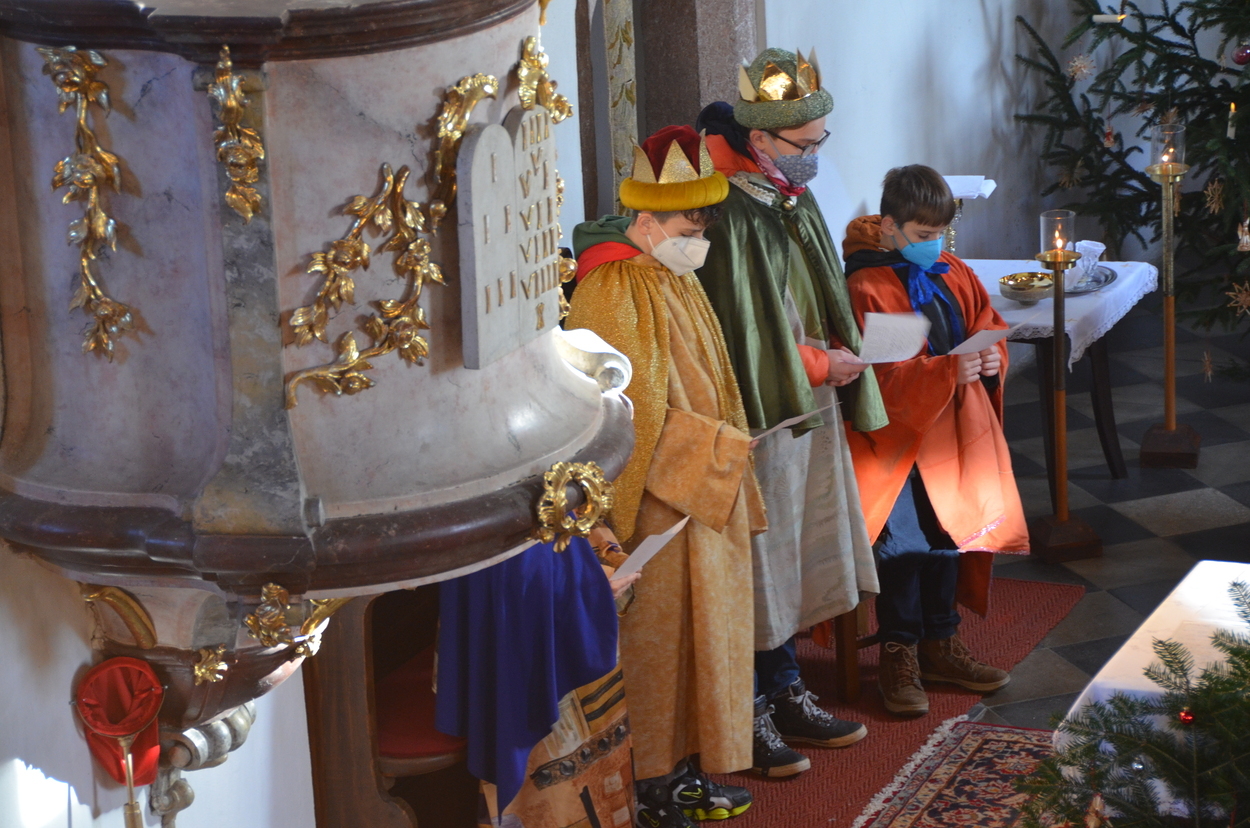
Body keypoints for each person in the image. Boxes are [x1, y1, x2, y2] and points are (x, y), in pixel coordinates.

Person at [566, 125, 768, 827]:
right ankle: (649, 781)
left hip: (705, 484)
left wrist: (728, 446)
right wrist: (714, 449)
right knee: (659, 647)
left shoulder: (667, 271)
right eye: (689, 227)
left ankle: (683, 769)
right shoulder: (614, 282)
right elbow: (625, 413)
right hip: (661, 499)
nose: (699, 238)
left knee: (697, 644)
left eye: (704, 225)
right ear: (647, 220)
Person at [695, 48, 885, 777]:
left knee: (791, 554)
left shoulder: (785, 192)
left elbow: (810, 291)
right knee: (758, 563)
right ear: (760, 138)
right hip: (766, 412)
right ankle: (748, 713)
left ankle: (786, 689)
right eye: (804, 144)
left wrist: (838, 357)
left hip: (812, 400)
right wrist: (816, 365)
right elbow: (746, 328)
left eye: (819, 141)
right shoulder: (730, 208)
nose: (814, 156)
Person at [841, 164, 1028, 717]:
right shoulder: (866, 285)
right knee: (903, 547)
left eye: (941, 233)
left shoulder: (953, 269)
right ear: (889, 226)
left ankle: (941, 644)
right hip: (897, 444)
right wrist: (946, 372)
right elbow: (874, 376)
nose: (936, 245)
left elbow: (986, 322)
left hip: (954, 433)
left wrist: (991, 358)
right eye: (924, 235)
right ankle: (898, 652)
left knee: (950, 535)